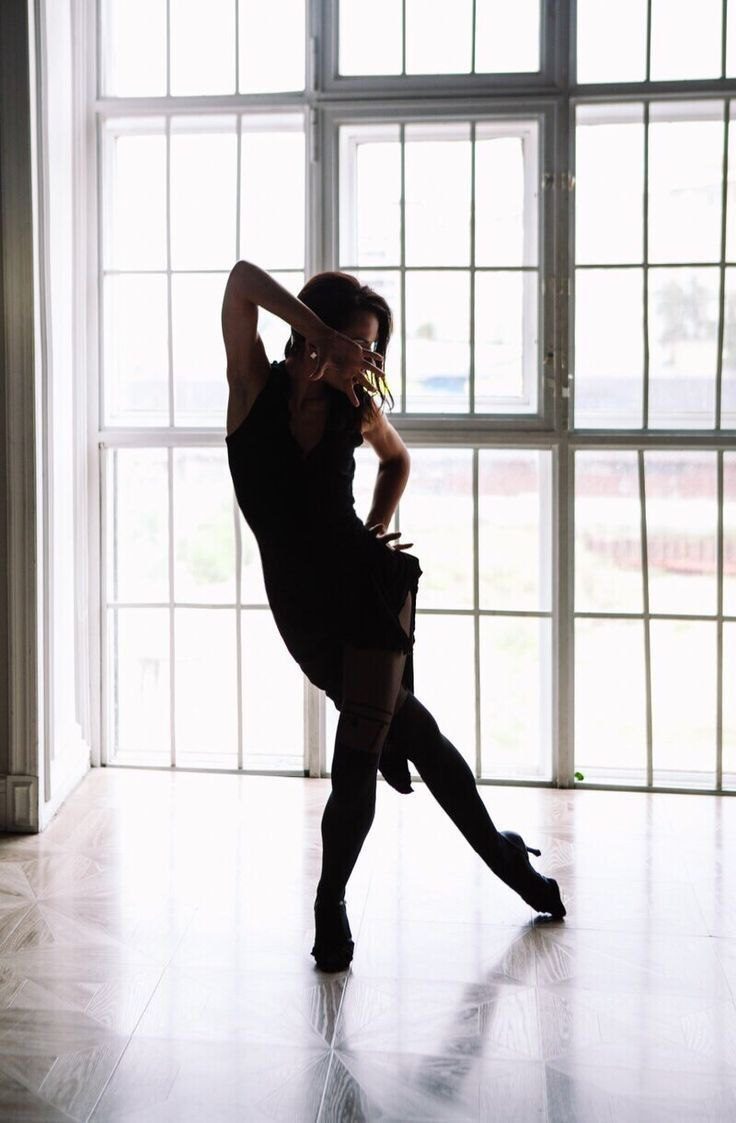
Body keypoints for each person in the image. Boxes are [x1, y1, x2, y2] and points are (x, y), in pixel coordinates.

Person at [223, 260, 565, 972]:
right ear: (319, 332)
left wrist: (376, 529)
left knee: (357, 758)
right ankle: (504, 853)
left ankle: (330, 901)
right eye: (358, 342)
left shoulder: (356, 408)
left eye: (375, 346)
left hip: (370, 589)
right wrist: (320, 335)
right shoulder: (253, 386)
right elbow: (241, 281)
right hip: (302, 607)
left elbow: (396, 461)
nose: (369, 359)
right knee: (412, 731)